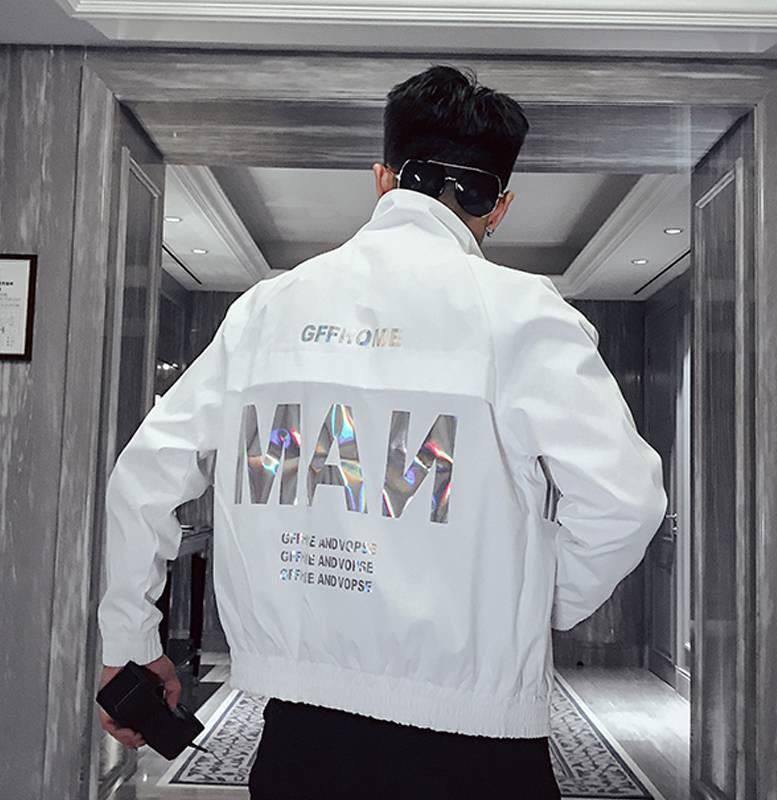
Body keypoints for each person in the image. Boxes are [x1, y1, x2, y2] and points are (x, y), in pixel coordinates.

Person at [97, 65, 667, 799]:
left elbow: (144, 477)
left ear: (382, 178)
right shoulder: (527, 316)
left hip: (300, 737)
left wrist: (130, 641)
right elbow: (625, 501)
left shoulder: (264, 312)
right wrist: (538, 597)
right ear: (498, 207)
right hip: (477, 738)